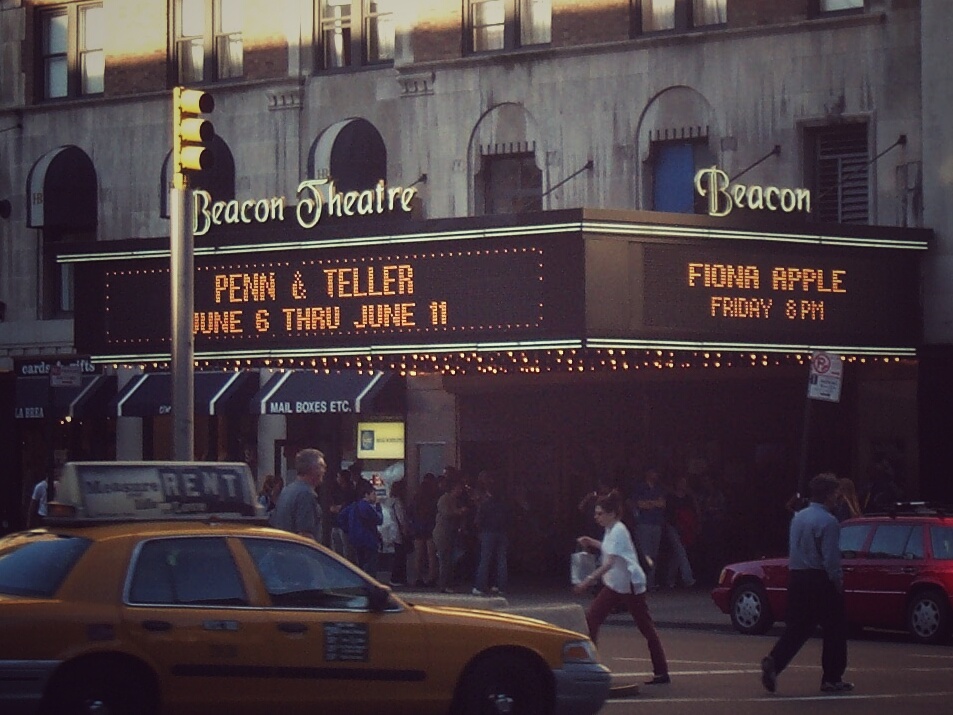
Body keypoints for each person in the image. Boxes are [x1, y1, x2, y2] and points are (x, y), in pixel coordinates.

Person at [760, 472, 852, 694]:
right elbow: (830, 559)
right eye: (836, 493)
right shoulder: (829, 522)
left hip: (798, 576)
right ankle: (832, 677)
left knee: (799, 627)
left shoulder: (799, 517)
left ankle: (776, 660)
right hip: (819, 578)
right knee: (835, 629)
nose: (838, 497)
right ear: (829, 495)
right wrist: (837, 581)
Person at [573, 492, 670, 686]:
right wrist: (592, 542)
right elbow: (609, 549)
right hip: (616, 584)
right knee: (592, 619)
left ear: (611, 514)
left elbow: (609, 562)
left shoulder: (618, 530)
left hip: (630, 585)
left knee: (645, 627)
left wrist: (588, 580)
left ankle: (661, 672)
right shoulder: (611, 529)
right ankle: (590, 667)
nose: (596, 517)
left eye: (600, 513)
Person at [270, 448, 326, 541]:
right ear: (311, 469)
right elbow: (305, 535)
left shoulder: (287, 490)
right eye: (321, 466)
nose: (324, 469)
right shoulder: (306, 494)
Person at [472, 471, 509, 596]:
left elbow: (478, 520)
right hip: (502, 532)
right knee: (501, 560)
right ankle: (501, 586)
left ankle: (480, 586)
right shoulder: (504, 504)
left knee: (485, 559)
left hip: (488, 532)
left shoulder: (485, 504)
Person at [631, 467, 666, 590]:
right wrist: (654, 503)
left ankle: (650, 582)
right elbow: (639, 504)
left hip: (656, 523)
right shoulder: (640, 487)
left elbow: (662, 503)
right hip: (644, 523)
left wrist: (649, 503)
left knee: (654, 554)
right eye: (653, 472)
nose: (655, 475)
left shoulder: (658, 488)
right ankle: (642, 582)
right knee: (645, 553)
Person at [433, 477, 469, 593]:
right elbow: (446, 513)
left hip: (450, 532)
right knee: (445, 559)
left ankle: (448, 583)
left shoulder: (454, 499)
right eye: (458, 488)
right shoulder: (445, 499)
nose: (461, 490)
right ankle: (443, 585)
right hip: (443, 533)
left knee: (449, 559)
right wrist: (460, 511)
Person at [342, 479, 384, 575]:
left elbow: (342, 517)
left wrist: (349, 529)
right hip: (369, 540)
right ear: (366, 495)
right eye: (373, 494)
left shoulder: (353, 506)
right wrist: (378, 506)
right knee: (371, 566)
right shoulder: (367, 507)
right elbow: (379, 520)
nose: (375, 497)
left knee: (360, 564)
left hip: (356, 539)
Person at [662, 475, 697, 588]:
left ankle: (669, 580)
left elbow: (693, 511)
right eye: (681, 482)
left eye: (684, 482)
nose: (683, 484)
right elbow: (668, 513)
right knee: (681, 552)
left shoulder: (688, 498)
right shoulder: (671, 497)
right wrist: (676, 524)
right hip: (672, 527)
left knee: (677, 554)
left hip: (686, 527)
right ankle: (688, 579)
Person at [411, 473, 440, 587]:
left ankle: (418, 578)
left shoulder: (416, 499)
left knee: (418, 555)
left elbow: (410, 512)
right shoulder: (433, 499)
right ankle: (432, 577)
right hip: (430, 527)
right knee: (431, 554)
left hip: (418, 527)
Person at [388, 479, 412, 585]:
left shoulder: (390, 501)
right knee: (400, 556)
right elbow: (401, 517)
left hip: (393, 530)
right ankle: (397, 578)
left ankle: (396, 578)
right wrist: (405, 528)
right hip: (399, 530)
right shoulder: (398, 502)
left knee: (398, 554)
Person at [329, 468, 357, 558]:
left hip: (345, 525)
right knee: (337, 548)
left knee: (346, 549)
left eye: (338, 477)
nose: (337, 479)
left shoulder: (350, 492)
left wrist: (339, 508)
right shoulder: (336, 490)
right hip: (336, 523)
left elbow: (347, 506)